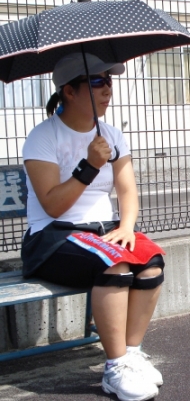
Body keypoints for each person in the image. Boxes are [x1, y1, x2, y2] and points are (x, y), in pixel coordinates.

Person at [21, 52, 165, 401]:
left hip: (102, 231)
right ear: (69, 91)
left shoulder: (111, 135)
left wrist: (127, 227)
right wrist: (89, 165)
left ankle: (131, 353)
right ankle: (115, 368)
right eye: (97, 81)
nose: (107, 89)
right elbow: (52, 205)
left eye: (109, 81)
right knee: (114, 263)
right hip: (53, 236)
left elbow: (127, 191)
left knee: (151, 262)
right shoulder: (43, 137)